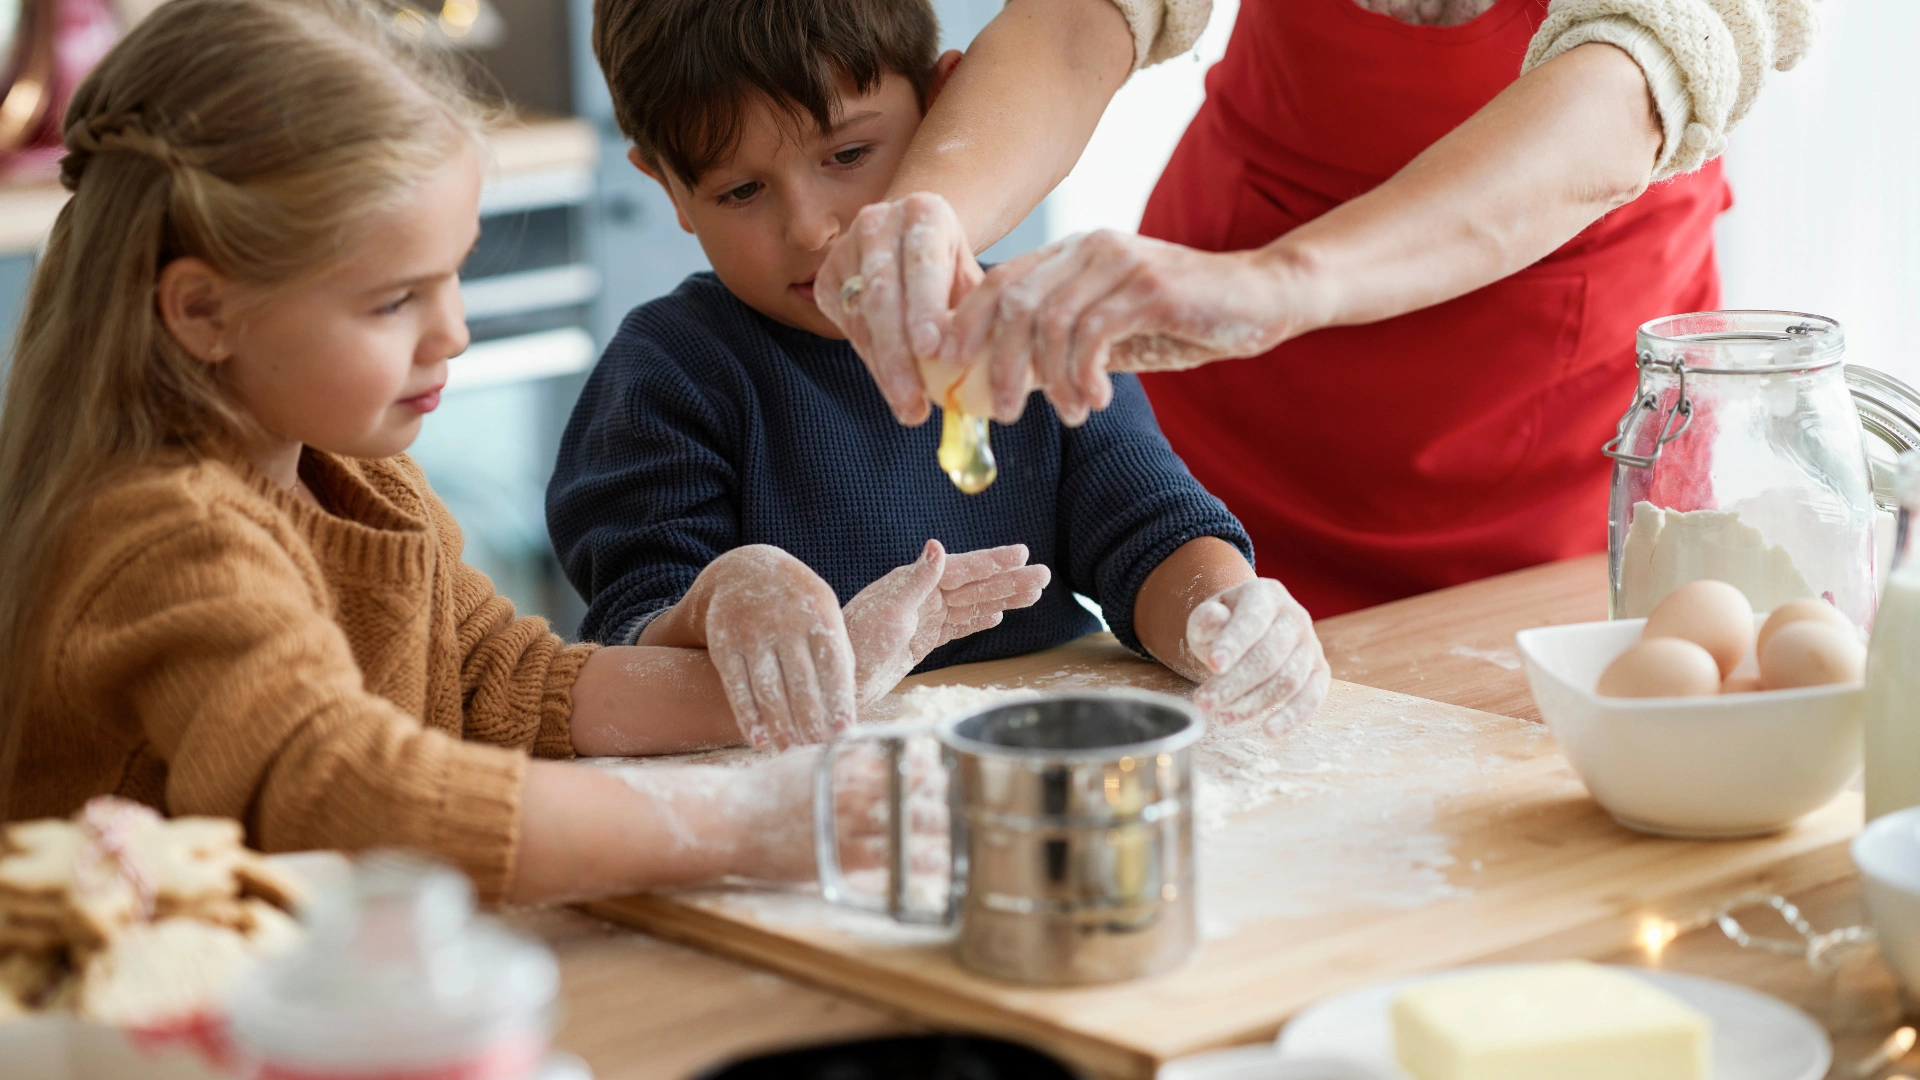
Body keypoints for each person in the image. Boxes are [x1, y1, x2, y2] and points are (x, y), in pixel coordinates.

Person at [0, 0, 934, 906]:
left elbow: (500, 684)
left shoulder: (358, 476)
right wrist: (741, 824)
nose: (452, 332)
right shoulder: (165, 535)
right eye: (393, 300)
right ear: (204, 312)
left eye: (453, 275)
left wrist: (812, 678)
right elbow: (341, 792)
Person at [812, 0, 1816, 616]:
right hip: (1240, 409)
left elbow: (1638, 76)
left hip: (1557, 428)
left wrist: (1285, 282)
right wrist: (933, 211)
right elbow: (1081, 19)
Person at [550, 0, 1328, 735]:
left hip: (1036, 756)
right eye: (741, 190)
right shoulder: (667, 374)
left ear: (944, 106)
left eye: (849, 154)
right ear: (669, 189)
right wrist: (722, 598)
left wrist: (1223, 619)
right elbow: (634, 640)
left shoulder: (1030, 324)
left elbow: (1151, 536)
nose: (813, 227)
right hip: (806, 797)